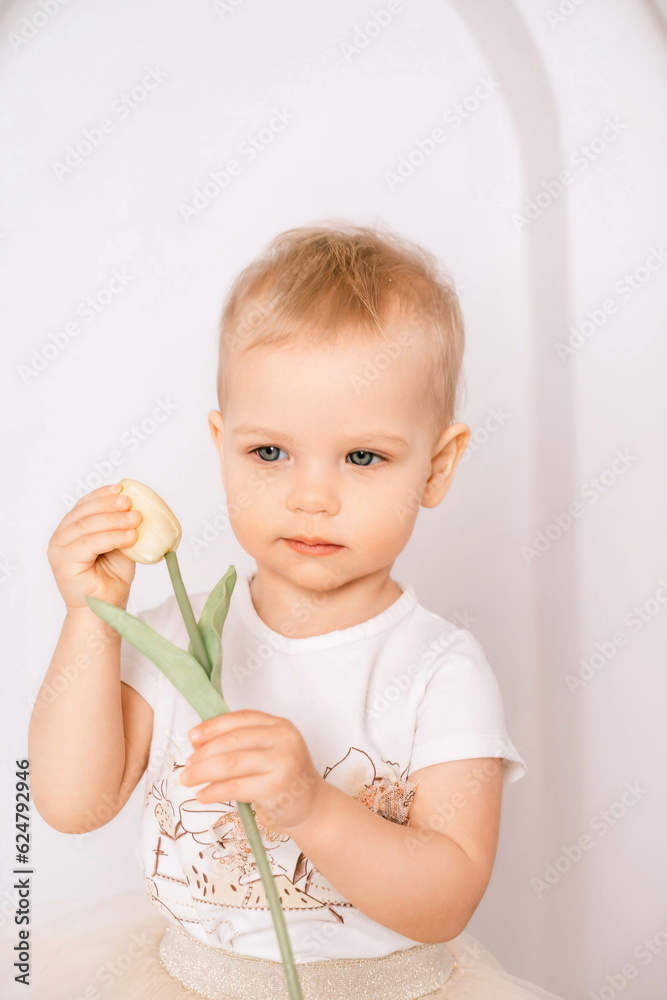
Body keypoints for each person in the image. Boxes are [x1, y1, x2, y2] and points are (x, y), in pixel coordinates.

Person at [23, 223, 569, 999]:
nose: (312, 496)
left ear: (436, 466)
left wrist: (311, 805)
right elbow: (73, 803)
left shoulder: (438, 670)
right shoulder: (179, 635)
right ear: (222, 446)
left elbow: (445, 899)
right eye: (269, 453)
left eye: (362, 456)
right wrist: (89, 619)